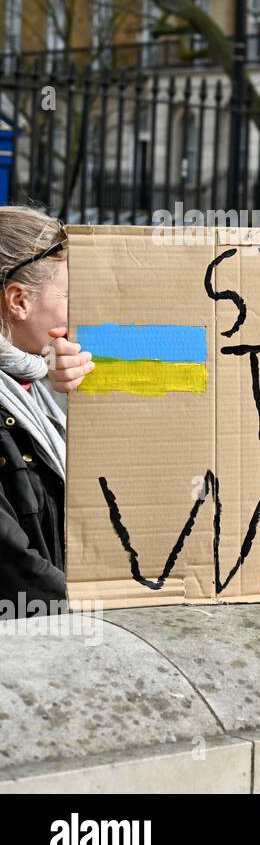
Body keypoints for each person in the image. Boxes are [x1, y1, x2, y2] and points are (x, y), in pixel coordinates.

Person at [0, 206, 93, 611]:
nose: (79, 313)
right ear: (18, 301)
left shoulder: (33, 380)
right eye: (70, 297)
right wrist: (100, 603)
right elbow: (15, 565)